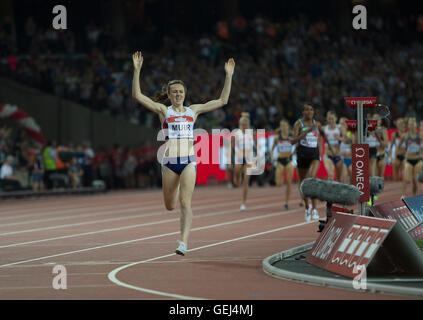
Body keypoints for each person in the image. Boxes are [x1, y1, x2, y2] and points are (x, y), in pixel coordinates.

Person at [131, 51, 235, 255]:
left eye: (181, 92)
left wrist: (229, 76)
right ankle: (175, 189)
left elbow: (222, 101)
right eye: (174, 92)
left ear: (185, 94)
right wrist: (136, 72)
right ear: (169, 95)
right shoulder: (164, 110)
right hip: (169, 163)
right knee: (170, 205)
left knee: (185, 203)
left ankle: (183, 242)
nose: (178, 95)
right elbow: (137, 96)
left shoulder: (192, 111)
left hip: (189, 161)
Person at [292, 103, 324, 222]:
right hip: (302, 156)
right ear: (303, 112)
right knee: (304, 183)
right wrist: (304, 134)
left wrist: (321, 152)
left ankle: (315, 209)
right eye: (306, 110)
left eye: (311, 110)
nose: (309, 112)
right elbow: (292, 141)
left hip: (314, 156)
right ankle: (307, 208)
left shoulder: (317, 124)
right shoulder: (298, 124)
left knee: (311, 178)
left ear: (313, 112)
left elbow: (320, 139)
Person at [232, 112, 255, 211]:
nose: (244, 125)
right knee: (237, 180)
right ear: (240, 124)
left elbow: (256, 146)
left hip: (249, 158)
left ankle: (243, 203)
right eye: (243, 124)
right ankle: (237, 178)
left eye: (246, 124)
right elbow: (231, 147)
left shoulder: (251, 133)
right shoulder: (236, 133)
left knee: (246, 181)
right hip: (239, 157)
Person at [270, 119, 295, 210]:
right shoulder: (277, 137)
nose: (283, 127)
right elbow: (272, 149)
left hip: (288, 161)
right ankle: (281, 179)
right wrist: (272, 157)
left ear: (288, 126)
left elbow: (297, 145)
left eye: (285, 125)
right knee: (279, 183)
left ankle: (286, 202)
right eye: (281, 125)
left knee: (289, 183)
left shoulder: (292, 136)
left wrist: (294, 153)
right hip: (280, 161)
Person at [398, 118, 423, 196]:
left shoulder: (421, 135)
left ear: (415, 125)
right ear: (408, 125)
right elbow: (398, 146)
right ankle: (403, 195)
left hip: (418, 160)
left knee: (415, 180)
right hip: (408, 159)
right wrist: (397, 155)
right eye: (410, 124)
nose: (411, 126)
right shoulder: (405, 136)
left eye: (412, 124)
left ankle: (414, 196)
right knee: (406, 179)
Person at [322, 111, 343, 181]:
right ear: (326, 119)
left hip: (338, 156)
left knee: (339, 178)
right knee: (330, 175)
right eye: (329, 118)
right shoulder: (324, 128)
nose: (330, 120)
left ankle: (338, 191)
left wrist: (339, 138)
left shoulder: (340, 128)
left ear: (336, 119)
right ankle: (328, 191)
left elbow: (348, 139)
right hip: (328, 155)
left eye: (332, 118)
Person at [339, 117, 354, 184]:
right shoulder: (337, 133)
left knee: (352, 178)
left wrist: (341, 137)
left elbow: (349, 141)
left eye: (343, 124)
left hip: (351, 159)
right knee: (343, 179)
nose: (341, 125)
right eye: (340, 124)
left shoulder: (349, 133)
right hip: (342, 159)